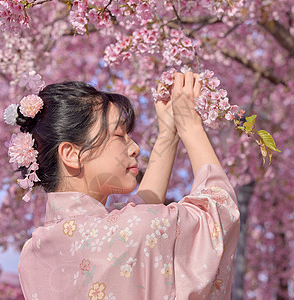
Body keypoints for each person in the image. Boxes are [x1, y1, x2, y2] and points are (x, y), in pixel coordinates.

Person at [15, 72, 240, 299]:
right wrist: (190, 126)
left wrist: (168, 134)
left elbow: (139, 214)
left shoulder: (32, 254)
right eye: (119, 134)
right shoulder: (134, 230)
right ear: (72, 154)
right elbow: (219, 211)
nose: (134, 148)